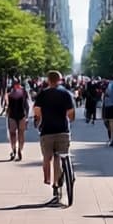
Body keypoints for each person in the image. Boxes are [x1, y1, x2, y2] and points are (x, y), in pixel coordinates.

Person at [32, 69, 76, 202]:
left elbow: (37, 112)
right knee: (60, 156)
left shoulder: (42, 95)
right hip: (63, 130)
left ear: (48, 80)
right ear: (60, 80)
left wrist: (37, 121)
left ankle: (49, 180)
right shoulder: (66, 94)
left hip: (47, 131)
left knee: (47, 157)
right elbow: (71, 114)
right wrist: (69, 118)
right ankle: (58, 182)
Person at [3, 76, 30, 160]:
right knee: (15, 134)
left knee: (17, 134)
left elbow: (27, 104)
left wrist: (27, 117)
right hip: (16, 115)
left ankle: (17, 150)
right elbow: (6, 103)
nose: (15, 85)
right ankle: (16, 149)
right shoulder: (11, 92)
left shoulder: (20, 91)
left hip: (18, 115)